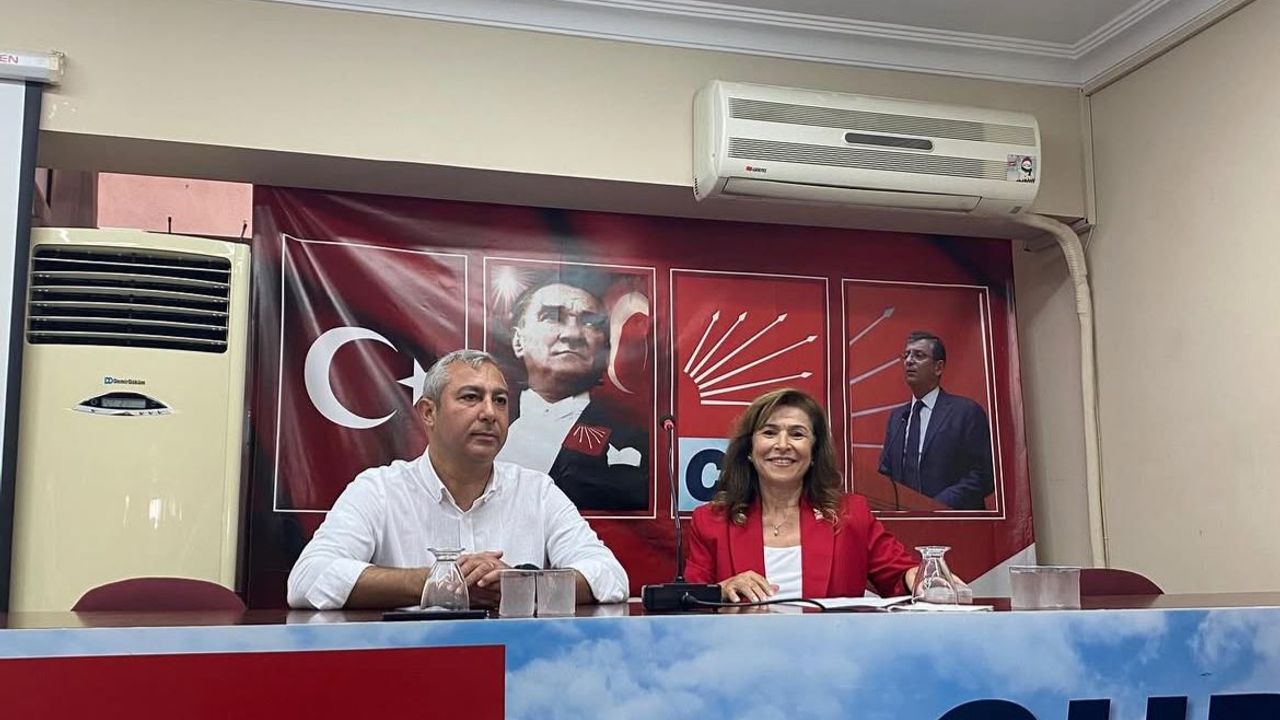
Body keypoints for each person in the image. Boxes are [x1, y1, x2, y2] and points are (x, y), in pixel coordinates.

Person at [287, 349, 629, 610]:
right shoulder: (380, 490)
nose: (489, 413)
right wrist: (441, 582)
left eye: (500, 400)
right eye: (470, 397)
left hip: (518, 665)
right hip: (411, 663)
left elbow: (610, 576)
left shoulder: (536, 491)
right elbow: (307, 580)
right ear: (428, 412)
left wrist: (522, 585)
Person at [685, 388, 919, 602]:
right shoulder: (710, 521)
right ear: (749, 449)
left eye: (797, 434)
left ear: (814, 451)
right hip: (742, 637)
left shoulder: (850, 513)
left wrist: (923, 579)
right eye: (769, 433)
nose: (782, 445)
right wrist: (721, 590)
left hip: (832, 637)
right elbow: (689, 601)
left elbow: (901, 576)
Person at [496, 279, 648, 511]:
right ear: (518, 341)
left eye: (590, 323)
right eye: (552, 317)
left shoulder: (632, 440)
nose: (572, 334)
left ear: (605, 348)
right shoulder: (487, 421)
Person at [878, 331, 995, 511]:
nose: (909, 361)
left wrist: (934, 507)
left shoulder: (966, 412)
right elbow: (886, 474)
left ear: (938, 367)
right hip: (905, 521)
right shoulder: (898, 418)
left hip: (954, 521)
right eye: (906, 355)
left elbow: (983, 475)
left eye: (919, 355)